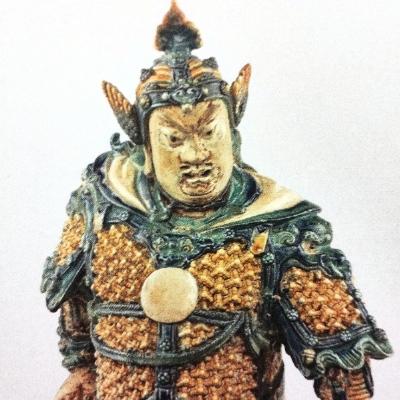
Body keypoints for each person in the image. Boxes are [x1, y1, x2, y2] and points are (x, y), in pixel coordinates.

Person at [41, 2, 392, 399]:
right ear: (146, 148)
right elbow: (76, 298)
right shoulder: (104, 206)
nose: (195, 155)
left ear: (233, 135)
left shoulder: (280, 230)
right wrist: (82, 369)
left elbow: (342, 367)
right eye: (173, 139)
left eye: (209, 132)